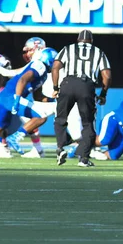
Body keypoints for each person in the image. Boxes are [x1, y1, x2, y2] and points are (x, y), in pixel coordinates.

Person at [0, 48, 58, 158]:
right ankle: (15, 137)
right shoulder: (40, 66)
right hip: (11, 96)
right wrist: (17, 99)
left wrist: (53, 100)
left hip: (5, 95)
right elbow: (23, 79)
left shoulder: (42, 72)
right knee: (41, 117)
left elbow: (38, 96)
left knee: (0, 125)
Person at [52, 29, 111, 168]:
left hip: (67, 84)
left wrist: (56, 88)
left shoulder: (68, 49)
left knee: (60, 118)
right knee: (88, 123)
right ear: (91, 41)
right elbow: (107, 76)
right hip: (86, 86)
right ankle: (83, 158)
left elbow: (55, 68)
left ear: (78, 39)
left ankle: (61, 147)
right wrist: (103, 94)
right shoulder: (98, 52)